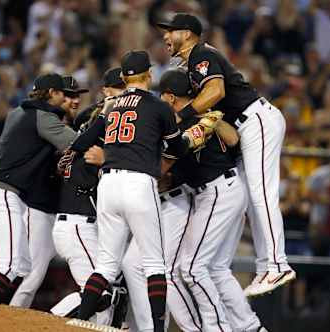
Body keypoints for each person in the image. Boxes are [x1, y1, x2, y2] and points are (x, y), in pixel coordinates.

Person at [76, 51, 217, 331]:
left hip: (108, 184)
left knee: (106, 265)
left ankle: (78, 319)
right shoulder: (157, 106)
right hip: (138, 184)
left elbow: (89, 139)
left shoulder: (113, 106)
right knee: (154, 264)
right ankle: (156, 327)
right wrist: (193, 136)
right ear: (148, 75)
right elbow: (176, 148)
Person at [157, 13, 295, 297]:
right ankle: (265, 266)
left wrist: (182, 116)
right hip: (246, 126)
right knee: (248, 196)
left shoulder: (200, 55)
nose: (165, 37)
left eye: (171, 32)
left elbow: (216, 90)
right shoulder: (193, 63)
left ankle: (277, 264)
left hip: (255, 118)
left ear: (187, 33)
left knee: (261, 194)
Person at [122, 69, 267, 332]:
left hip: (217, 191)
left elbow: (230, 139)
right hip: (219, 190)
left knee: (191, 268)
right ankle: (250, 328)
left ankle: (217, 328)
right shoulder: (198, 116)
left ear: (168, 97)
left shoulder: (188, 121)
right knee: (215, 269)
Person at [0, 73, 77, 304]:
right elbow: (76, 142)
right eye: (62, 93)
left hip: (0, 193)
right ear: (51, 93)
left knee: (21, 264)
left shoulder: (17, 113)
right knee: (9, 265)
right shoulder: (42, 116)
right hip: (3, 193)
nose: (65, 99)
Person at [50, 70, 127, 324]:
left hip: (77, 223)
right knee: (101, 293)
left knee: (108, 291)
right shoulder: (96, 141)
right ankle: (47, 323)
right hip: (77, 224)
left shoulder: (84, 136)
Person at [10, 76, 89, 308]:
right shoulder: (44, 122)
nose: (75, 101)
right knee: (30, 275)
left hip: (59, 211)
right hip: (38, 207)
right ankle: (2, 321)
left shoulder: (69, 125)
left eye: (77, 96)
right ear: (54, 95)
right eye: (69, 95)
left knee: (34, 275)